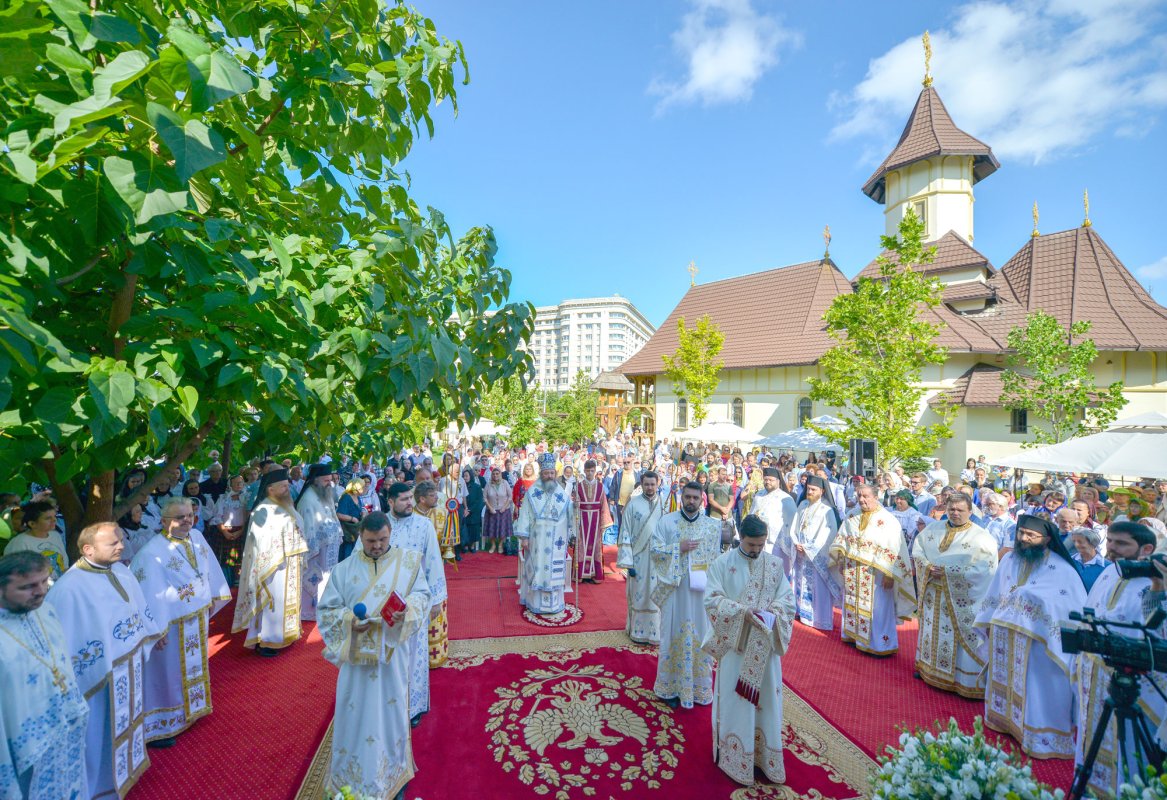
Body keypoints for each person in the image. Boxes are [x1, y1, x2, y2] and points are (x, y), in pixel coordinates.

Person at [318, 513, 431, 800]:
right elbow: (327, 611)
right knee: (355, 718)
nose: (377, 546)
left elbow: (422, 596)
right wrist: (349, 622)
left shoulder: (408, 563)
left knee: (392, 716)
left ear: (390, 533)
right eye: (371, 541)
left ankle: (393, 775)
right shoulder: (343, 570)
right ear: (361, 537)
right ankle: (353, 781)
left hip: (391, 658)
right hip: (356, 664)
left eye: (382, 539)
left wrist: (408, 611)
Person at [48, 522, 164, 797]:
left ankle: (128, 767)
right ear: (88, 549)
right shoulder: (69, 588)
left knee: (127, 717)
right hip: (99, 674)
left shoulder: (120, 570)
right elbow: (65, 640)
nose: (121, 546)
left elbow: (137, 606)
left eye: (121, 540)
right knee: (99, 728)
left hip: (128, 662)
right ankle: (100, 784)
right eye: (113, 543)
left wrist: (153, 631)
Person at [974, 514, 1086, 759]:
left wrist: (1030, 600)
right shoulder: (1009, 559)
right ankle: (1005, 720)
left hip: (1038, 642)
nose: (1024, 538)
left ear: (1047, 539)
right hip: (1006, 635)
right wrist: (989, 620)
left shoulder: (1061, 569)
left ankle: (1039, 734)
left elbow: (1066, 606)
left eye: (1031, 535)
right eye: (1021, 533)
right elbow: (996, 591)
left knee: (1036, 686)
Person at [1071, 521, 1165, 796]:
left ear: (1146, 549)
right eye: (1110, 541)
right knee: (1093, 737)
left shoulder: (1157, 580)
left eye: (1121, 543)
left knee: (1130, 750)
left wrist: (1159, 589)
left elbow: (1158, 631)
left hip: (1138, 685)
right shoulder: (1110, 571)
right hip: (1097, 675)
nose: (1111, 548)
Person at [702, 515, 795, 785]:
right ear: (740, 538)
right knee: (737, 703)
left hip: (765, 648)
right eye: (751, 544)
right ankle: (734, 755)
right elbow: (711, 600)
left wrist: (772, 612)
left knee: (767, 703)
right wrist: (743, 612)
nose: (756, 550)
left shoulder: (774, 565)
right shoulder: (722, 564)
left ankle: (764, 756)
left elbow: (787, 602)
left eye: (761, 545)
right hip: (737, 648)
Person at [132, 497, 230, 746]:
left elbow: (207, 570)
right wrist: (155, 630)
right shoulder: (151, 553)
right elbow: (147, 594)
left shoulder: (196, 537)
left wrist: (210, 597)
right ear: (164, 521)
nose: (187, 520)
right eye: (180, 517)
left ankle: (191, 711)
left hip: (196, 617)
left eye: (189, 515)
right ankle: (164, 723)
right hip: (171, 625)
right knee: (168, 672)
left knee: (193, 666)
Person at [0, 552, 88, 799]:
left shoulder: (46, 611)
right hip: (22, 743)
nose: (40, 591)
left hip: (65, 725)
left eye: (43, 581)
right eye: (27, 587)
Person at [912, 494, 998, 698]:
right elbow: (918, 550)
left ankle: (963, 680)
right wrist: (927, 566)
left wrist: (948, 572)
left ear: (970, 511)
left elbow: (986, 569)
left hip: (960, 599)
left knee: (958, 635)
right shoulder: (933, 529)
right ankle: (929, 668)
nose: (955, 513)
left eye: (960, 510)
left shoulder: (981, 537)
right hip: (933, 593)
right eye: (951, 509)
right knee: (931, 629)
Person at [650, 481, 721, 709]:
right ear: (681, 497)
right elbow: (655, 550)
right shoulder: (667, 521)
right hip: (675, 591)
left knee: (700, 634)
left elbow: (717, 561)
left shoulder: (712, 527)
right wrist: (677, 548)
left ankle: (698, 688)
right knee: (671, 634)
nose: (691, 501)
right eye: (687, 497)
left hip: (700, 593)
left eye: (695, 498)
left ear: (702, 499)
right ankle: (670, 688)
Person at [384, 482, 446, 728]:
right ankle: (389, 706)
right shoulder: (380, 524)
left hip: (415, 600)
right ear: (390, 501)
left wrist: (436, 599)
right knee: (389, 655)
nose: (410, 502)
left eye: (411, 498)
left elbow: (433, 562)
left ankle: (413, 707)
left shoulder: (423, 525)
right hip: (384, 601)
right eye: (403, 499)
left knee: (414, 654)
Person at [829, 485, 915, 656]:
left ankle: (879, 645)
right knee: (852, 601)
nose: (862, 499)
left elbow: (895, 548)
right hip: (853, 570)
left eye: (866, 496)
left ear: (876, 496)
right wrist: (841, 560)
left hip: (877, 574)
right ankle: (854, 636)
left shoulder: (888, 520)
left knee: (878, 607)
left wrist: (890, 574)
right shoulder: (852, 514)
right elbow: (842, 539)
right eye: (859, 496)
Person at [232, 469, 309, 656]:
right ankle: (267, 641)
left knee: (287, 601)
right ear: (270, 489)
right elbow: (262, 541)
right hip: (274, 567)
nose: (287, 489)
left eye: (287, 485)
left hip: (290, 564)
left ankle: (287, 635)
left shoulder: (287, 506)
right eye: (283, 486)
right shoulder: (262, 510)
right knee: (272, 603)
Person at [779, 475, 840, 630]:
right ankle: (801, 612)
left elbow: (828, 534)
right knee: (800, 581)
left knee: (818, 587)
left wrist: (808, 547)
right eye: (808, 489)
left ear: (822, 491)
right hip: (800, 553)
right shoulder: (803, 504)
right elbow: (794, 526)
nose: (810, 492)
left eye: (813, 489)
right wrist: (795, 542)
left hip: (815, 556)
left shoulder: (827, 510)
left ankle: (819, 619)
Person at [515, 454, 574, 614]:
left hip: (556, 540)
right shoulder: (532, 492)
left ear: (555, 474)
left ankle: (555, 604)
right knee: (536, 569)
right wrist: (524, 537)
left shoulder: (561, 492)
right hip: (537, 540)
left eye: (552, 473)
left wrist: (575, 508)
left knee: (553, 570)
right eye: (546, 473)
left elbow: (569, 512)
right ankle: (535, 603)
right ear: (541, 473)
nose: (549, 476)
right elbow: (524, 515)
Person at [616, 470, 664, 645]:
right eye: (646, 484)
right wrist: (628, 563)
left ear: (657, 484)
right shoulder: (633, 505)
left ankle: (656, 632)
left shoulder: (664, 504)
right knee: (639, 593)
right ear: (641, 485)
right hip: (638, 559)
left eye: (652, 484)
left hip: (658, 558)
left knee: (656, 595)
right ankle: (637, 630)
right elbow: (625, 532)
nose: (650, 487)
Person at [296, 464, 344, 622]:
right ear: (315, 480)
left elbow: (332, 515)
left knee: (328, 578)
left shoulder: (325, 494)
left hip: (329, 549)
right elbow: (308, 527)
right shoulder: (307, 499)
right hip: (316, 552)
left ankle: (325, 606)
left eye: (330, 480)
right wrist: (313, 547)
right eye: (326, 480)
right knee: (315, 578)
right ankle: (309, 612)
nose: (329, 483)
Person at [412, 481, 451, 667]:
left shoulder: (441, 513)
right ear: (422, 499)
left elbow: (446, 542)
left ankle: (437, 654)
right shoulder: (411, 518)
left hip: (436, 569)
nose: (437, 498)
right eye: (433, 495)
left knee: (437, 611)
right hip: (416, 573)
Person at [3, 501, 68, 580]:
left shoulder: (55, 535)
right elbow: (14, 574)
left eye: (54, 516)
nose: (54, 520)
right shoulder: (19, 543)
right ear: (32, 524)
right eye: (48, 518)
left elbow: (64, 565)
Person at [573, 459, 612, 583]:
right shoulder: (578, 486)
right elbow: (574, 504)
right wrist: (575, 505)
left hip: (596, 519)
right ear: (584, 471)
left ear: (595, 471)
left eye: (592, 471)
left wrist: (604, 522)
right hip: (582, 519)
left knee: (595, 546)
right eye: (587, 471)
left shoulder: (600, 486)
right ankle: (580, 574)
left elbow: (604, 504)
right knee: (581, 545)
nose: (589, 473)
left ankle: (595, 574)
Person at [750, 467, 797, 566]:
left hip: (774, 542)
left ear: (778, 481)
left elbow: (792, 523)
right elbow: (752, 513)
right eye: (765, 479)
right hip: (756, 539)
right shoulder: (759, 495)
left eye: (771, 480)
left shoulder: (786, 498)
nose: (767, 482)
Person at [482, 467, 513, 554]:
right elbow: (484, 498)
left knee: (503, 529)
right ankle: (493, 545)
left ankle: (500, 545)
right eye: (493, 474)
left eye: (497, 474)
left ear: (500, 474)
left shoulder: (505, 483)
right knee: (491, 529)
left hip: (504, 510)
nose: (495, 475)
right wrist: (490, 508)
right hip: (491, 511)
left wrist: (504, 507)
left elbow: (510, 497)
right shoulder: (488, 484)